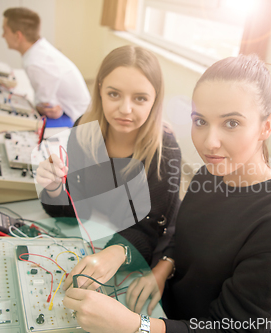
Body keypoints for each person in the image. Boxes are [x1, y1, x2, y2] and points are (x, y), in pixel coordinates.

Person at [62, 54, 271, 333]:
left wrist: (137, 326)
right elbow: (182, 234)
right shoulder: (211, 173)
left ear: (266, 125)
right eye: (201, 121)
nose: (210, 142)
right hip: (170, 313)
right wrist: (163, 268)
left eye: (231, 123)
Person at [35, 45, 182, 290]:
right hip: (102, 236)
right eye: (114, 94)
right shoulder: (84, 131)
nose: (125, 109)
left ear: (155, 99)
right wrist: (54, 189)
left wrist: (116, 252)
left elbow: (150, 230)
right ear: (100, 89)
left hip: (149, 253)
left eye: (140, 98)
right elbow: (75, 212)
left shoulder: (165, 152)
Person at [2, 7, 91, 127]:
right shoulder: (38, 48)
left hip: (77, 118)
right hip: (79, 108)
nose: (2, 35)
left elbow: (48, 109)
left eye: (5, 31)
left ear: (18, 36)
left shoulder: (35, 63)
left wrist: (39, 106)